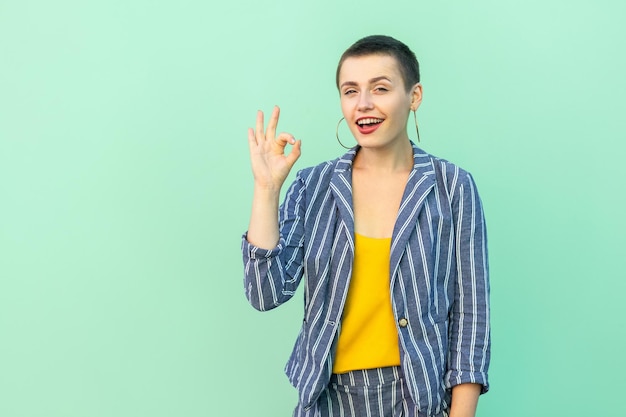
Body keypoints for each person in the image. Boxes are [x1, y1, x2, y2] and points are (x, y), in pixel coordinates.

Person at [242, 35, 490, 417]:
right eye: (350, 90)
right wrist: (266, 189)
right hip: (328, 398)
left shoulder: (452, 187)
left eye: (381, 88)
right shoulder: (314, 185)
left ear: (414, 96)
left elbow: (472, 316)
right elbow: (264, 292)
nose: (363, 104)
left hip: (417, 395)